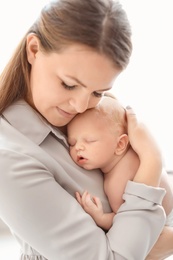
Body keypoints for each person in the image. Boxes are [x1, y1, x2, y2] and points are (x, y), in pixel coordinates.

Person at [0, 0, 172, 259]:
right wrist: (152, 159)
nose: (81, 105)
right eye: (69, 85)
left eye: (98, 92)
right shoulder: (9, 159)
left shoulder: (92, 111)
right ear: (34, 49)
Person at [67, 95, 173, 231]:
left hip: (165, 222)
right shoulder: (133, 151)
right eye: (72, 143)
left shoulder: (116, 183)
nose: (78, 147)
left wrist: (101, 218)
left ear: (120, 144)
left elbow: (125, 220)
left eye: (90, 140)